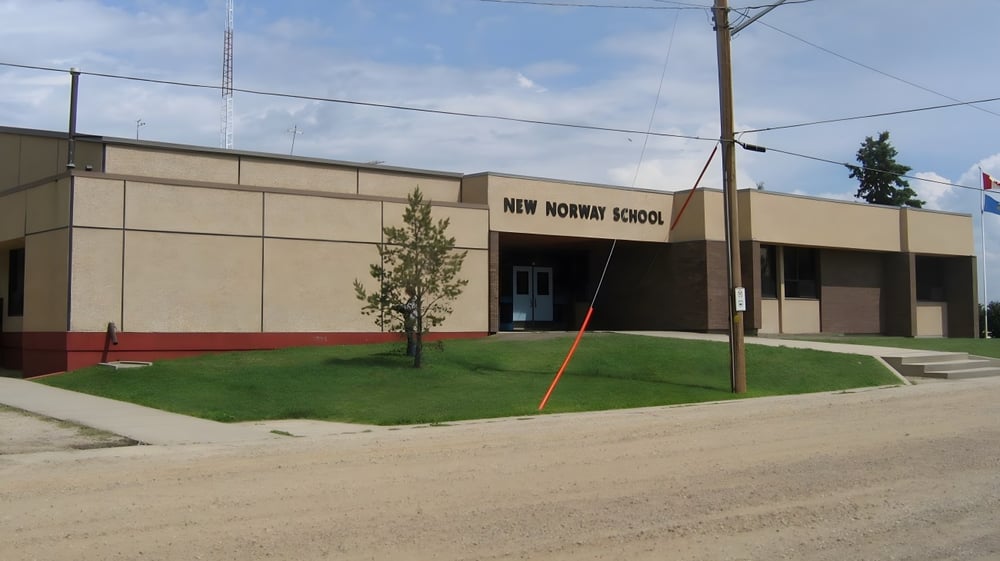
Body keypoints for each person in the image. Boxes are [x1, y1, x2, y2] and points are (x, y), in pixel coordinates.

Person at [395, 287, 417, 356]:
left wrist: (399, 307)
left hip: (411, 318)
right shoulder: (412, 299)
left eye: (407, 292)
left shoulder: (413, 299)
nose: (407, 294)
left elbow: (408, 308)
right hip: (410, 318)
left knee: (410, 335)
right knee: (409, 336)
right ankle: (410, 352)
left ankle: (412, 352)